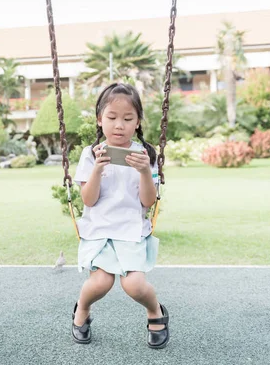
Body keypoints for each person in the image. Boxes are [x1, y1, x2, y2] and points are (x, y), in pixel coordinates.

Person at [71, 83, 169, 349]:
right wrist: (97, 170)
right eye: (112, 118)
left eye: (128, 119)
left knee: (135, 285)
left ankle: (155, 312)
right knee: (100, 283)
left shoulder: (145, 155)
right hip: (99, 230)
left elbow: (147, 202)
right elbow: (88, 200)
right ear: (99, 120)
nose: (119, 125)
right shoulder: (91, 155)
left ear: (137, 122)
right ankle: (81, 311)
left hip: (131, 230)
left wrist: (145, 172)